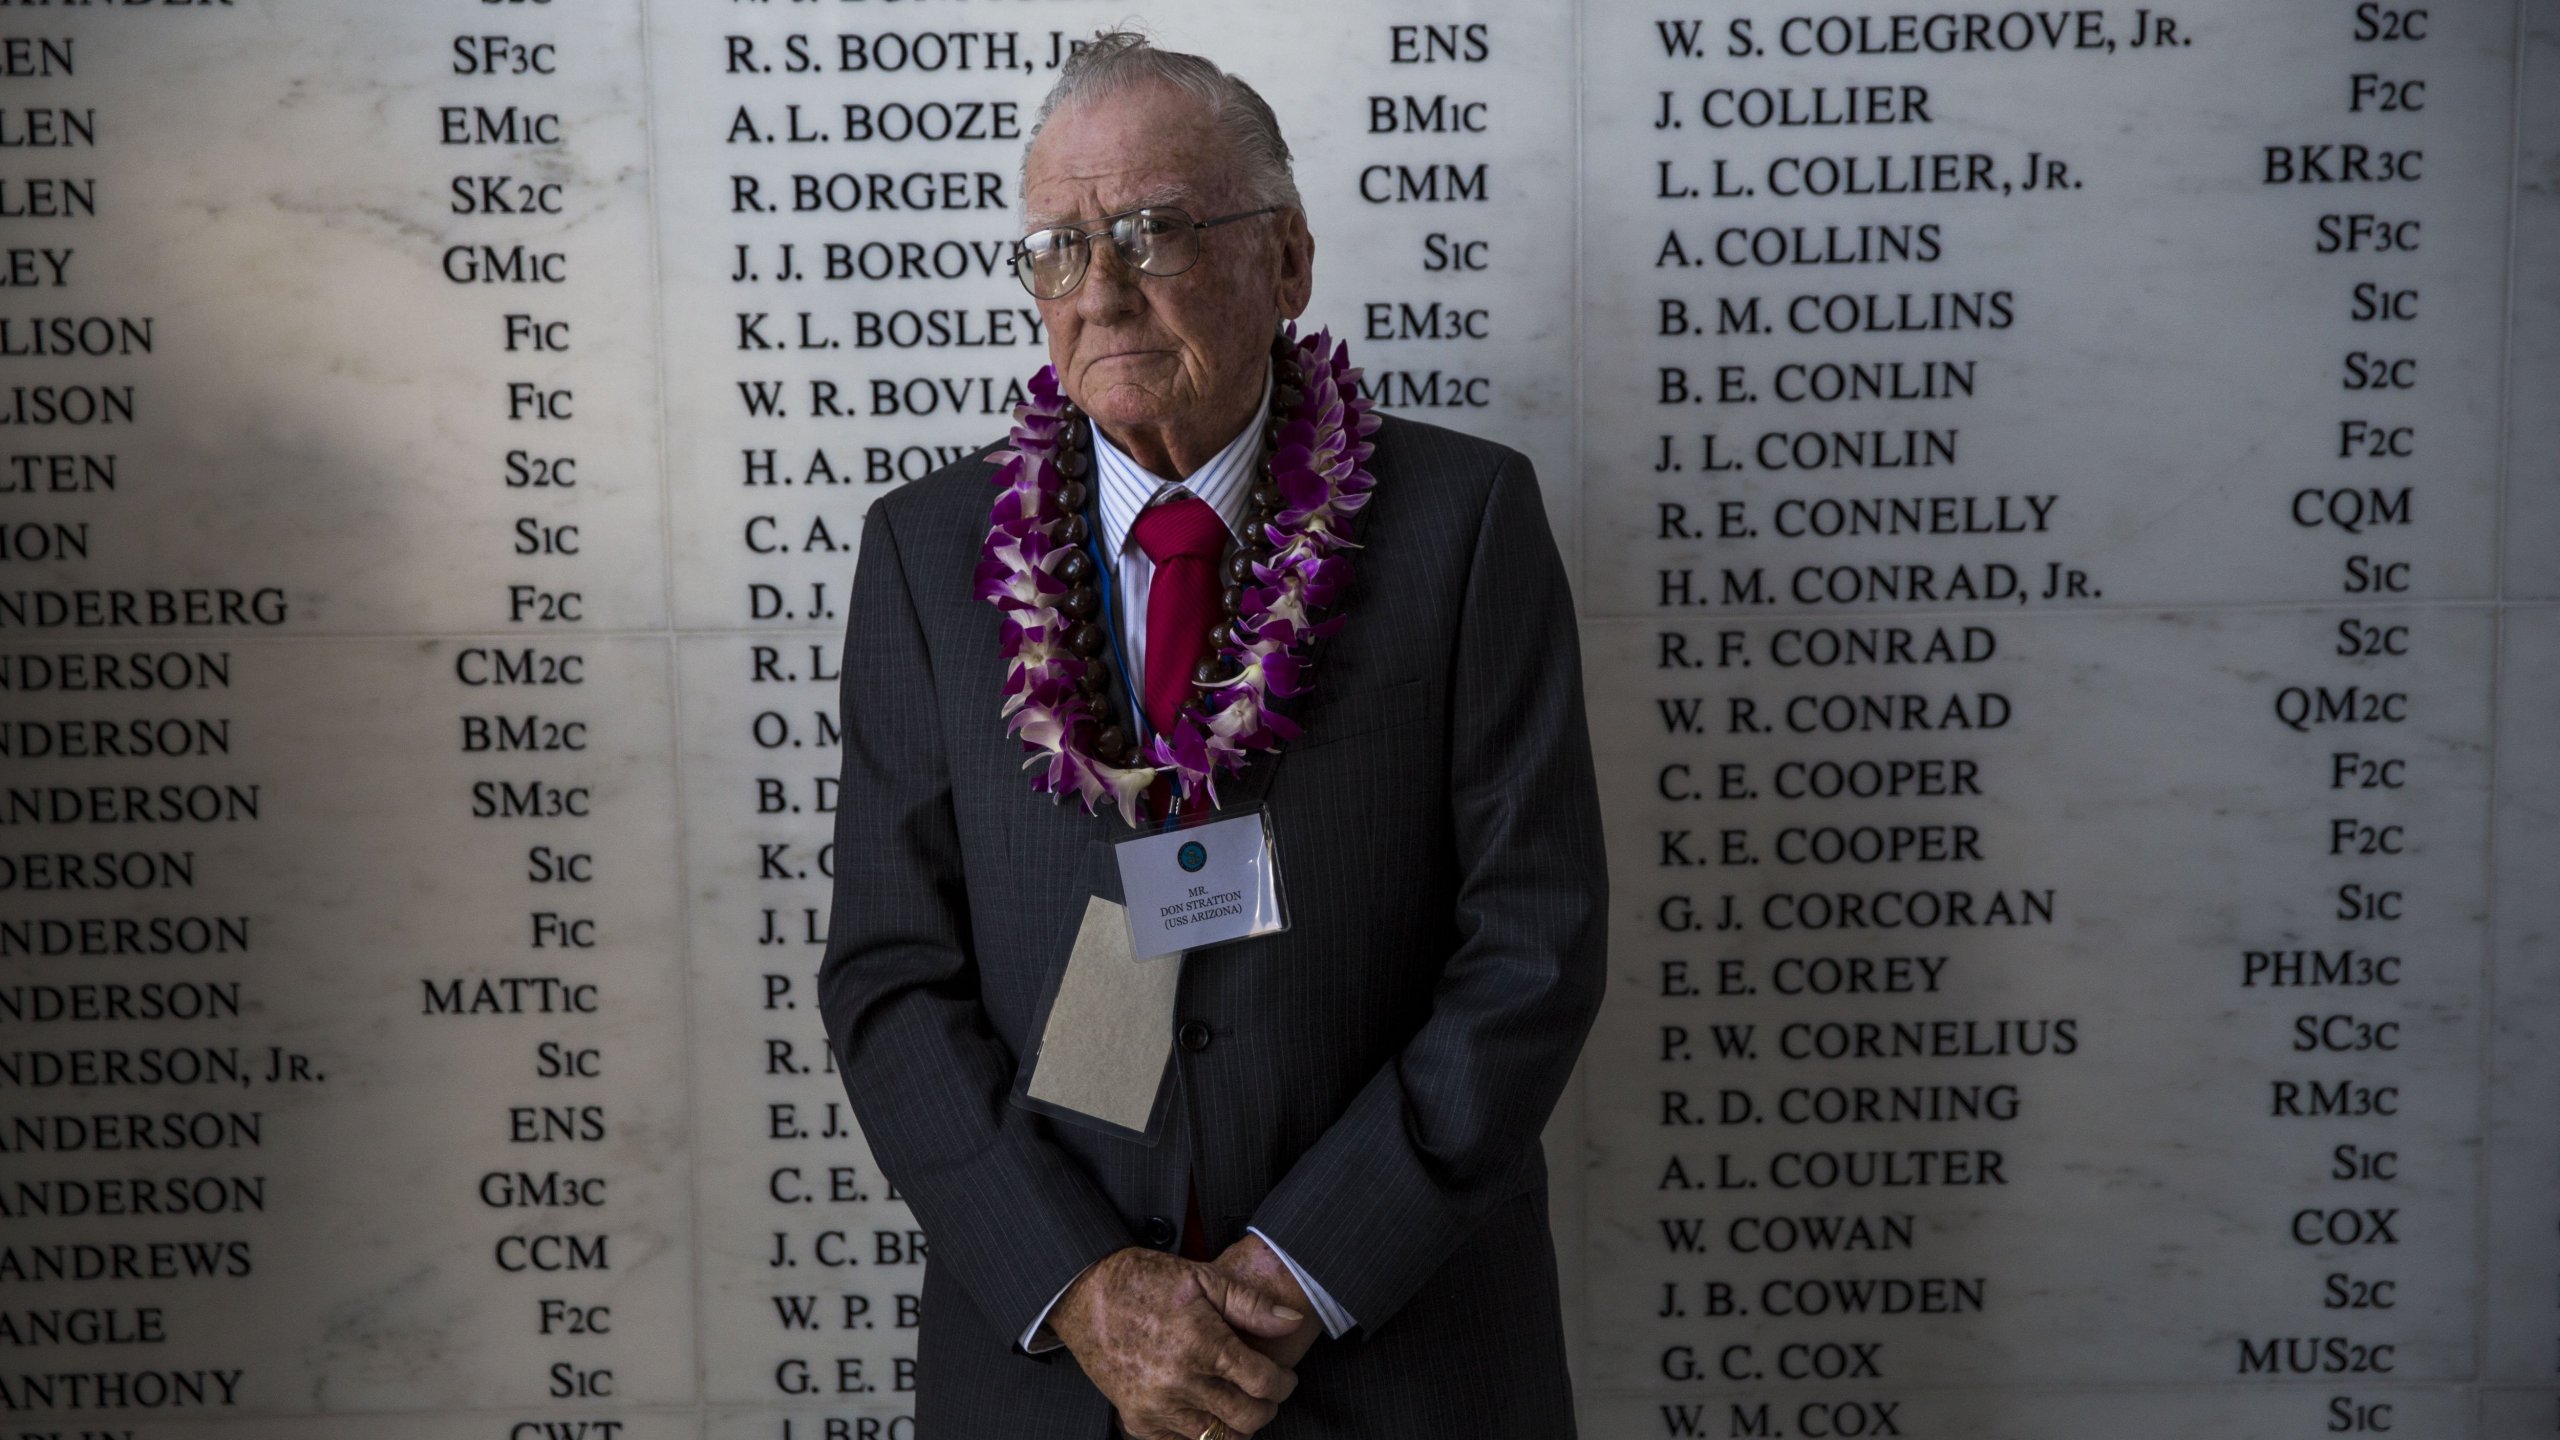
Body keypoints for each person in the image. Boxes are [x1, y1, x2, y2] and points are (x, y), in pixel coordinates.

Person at [818, 30, 1606, 1440]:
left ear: (1289, 262)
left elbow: (1531, 941)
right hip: (1054, 1372)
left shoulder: (1462, 525)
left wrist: (1301, 1271)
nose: (1101, 290)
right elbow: (890, 978)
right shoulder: (925, 556)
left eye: (1152, 232)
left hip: (1398, 1353)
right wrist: (1085, 1286)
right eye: (1058, 248)